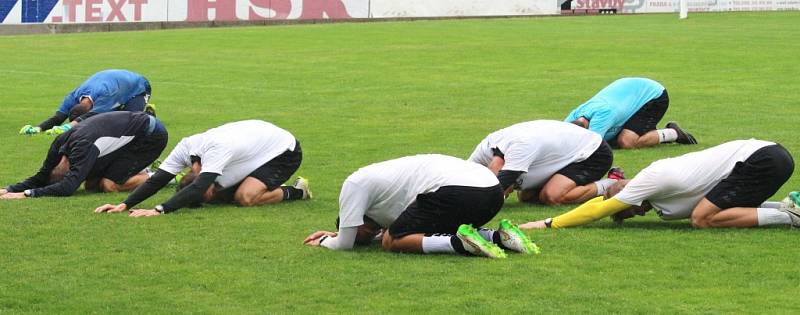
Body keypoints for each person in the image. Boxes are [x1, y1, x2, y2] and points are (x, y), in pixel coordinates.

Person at [519, 139, 799, 229]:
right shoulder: (661, 202)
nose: (632, 213)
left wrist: (545, 223)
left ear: (623, 190)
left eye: (625, 210)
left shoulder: (647, 180)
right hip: (766, 156)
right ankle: (790, 207)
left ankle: (789, 217)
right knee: (714, 211)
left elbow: (595, 212)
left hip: (761, 158)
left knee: (703, 219)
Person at [303, 154, 539, 259]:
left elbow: (344, 245)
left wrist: (325, 241)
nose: (366, 237)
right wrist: (341, 232)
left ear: (360, 220)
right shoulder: (382, 191)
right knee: (419, 229)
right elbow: (359, 232)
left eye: (360, 234)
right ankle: (499, 238)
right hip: (491, 190)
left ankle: (459, 244)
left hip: (460, 189)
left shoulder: (354, 183)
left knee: (392, 240)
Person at [94, 120, 310, 217]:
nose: (211, 193)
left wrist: (158, 210)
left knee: (245, 198)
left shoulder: (216, 150)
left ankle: (297, 191)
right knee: (228, 193)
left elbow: (198, 189)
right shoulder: (186, 148)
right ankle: (264, 185)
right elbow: (157, 180)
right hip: (255, 147)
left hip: (283, 150)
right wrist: (123, 204)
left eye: (208, 192)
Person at [0, 112, 168, 199]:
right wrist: (8, 189)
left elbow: (67, 188)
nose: (74, 171)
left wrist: (26, 194)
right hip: (130, 129)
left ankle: (162, 174)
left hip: (151, 135)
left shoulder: (83, 149)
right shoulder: (58, 146)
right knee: (91, 186)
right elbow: (41, 176)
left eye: (72, 172)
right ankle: (140, 168)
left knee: (108, 185)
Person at [468, 120, 620, 205]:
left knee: (551, 196)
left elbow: (497, 190)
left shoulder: (521, 147)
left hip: (592, 152)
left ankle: (611, 183)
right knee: (526, 197)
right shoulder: (484, 149)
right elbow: (464, 174)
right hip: (562, 151)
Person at [565, 77, 697, 149]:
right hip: (630, 93)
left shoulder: (603, 114)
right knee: (613, 140)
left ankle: (673, 133)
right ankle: (646, 132)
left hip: (653, 96)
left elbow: (591, 146)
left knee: (626, 142)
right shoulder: (574, 116)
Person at [19, 69, 155, 136]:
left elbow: (91, 116)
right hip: (118, 86)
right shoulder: (72, 97)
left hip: (138, 88)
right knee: (111, 119)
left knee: (129, 121)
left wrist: (67, 128)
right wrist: (37, 128)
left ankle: (148, 113)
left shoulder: (105, 94)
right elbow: (58, 117)